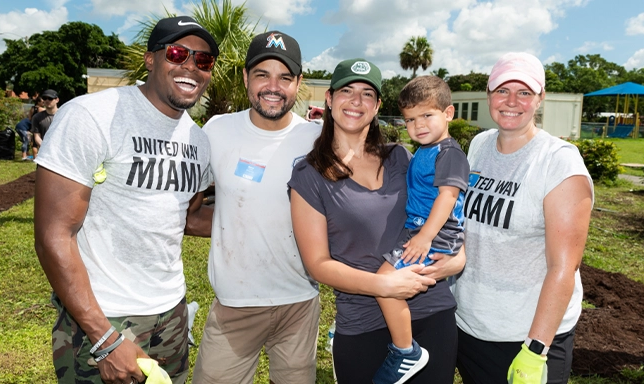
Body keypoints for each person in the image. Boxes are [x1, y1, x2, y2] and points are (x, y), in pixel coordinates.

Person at [33, 16, 218, 384]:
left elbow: (188, 218)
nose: (191, 67)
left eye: (203, 60)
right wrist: (104, 337)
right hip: (104, 317)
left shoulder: (198, 142)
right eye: (178, 53)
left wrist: (272, 216)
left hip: (171, 315)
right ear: (151, 60)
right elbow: (54, 235)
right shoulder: (92, 115)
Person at [289, 58, 465, 384]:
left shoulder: (400, 157)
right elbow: (318, 264)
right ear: (329, 99)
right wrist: (383, 285)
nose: (357, 101)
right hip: (363, 323)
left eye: (367, 93)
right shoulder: (309, 175)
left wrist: (457, 259)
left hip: (431, 314)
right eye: (347, 91)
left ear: (378, 105)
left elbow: (443, 209)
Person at [453, 52, 593, 384]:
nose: (511, 101)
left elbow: (564, 267)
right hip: (471, 326)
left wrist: (535, 349)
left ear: (540, 98)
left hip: (527, 336)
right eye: (502, 91)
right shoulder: (480, 145)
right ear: (489, 94)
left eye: (524, 92)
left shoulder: (558, 163)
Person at [192, 31, 322, 383]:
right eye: (262, 74)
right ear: (247, 78)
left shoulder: (317, 139)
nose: (273, 86)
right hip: (235, 305)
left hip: (300, 303)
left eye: (284, 77)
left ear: (299, 84)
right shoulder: (217, 131)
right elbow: (189, 208)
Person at [373, 75, 469, 383]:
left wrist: (425, 237)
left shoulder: (449, 153)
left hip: (435, 234)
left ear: (448, 113)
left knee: (384, 282)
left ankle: (406, 351)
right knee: (387, 279)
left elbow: (448, 196)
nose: (419, 125)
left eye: (427, 115)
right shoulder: (426, 150)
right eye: (410, 119)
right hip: (420, 230)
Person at [31, 89, 59, 159]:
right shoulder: (37, 117)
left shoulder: (64, 115)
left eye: (50, 98)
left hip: (61, 154)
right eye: (44, 98)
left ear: (57, 100)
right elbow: (37, 136)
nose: (47, 100)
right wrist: (46, 147)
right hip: (44, 154)